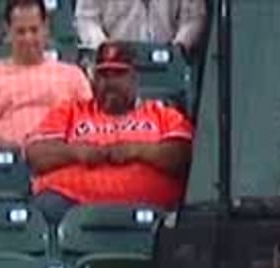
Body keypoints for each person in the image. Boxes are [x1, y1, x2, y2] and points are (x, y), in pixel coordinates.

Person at [23, 40, 190, 223]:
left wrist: (139, 150)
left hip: (151, 210)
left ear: (134, 77)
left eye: (118, 74)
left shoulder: (162, 114)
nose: (110, 82)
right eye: (103, 74)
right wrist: (76, 152)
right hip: (70, 205)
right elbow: (36, 154)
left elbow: (182, 155)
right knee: (42, 209)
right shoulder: (70, 111)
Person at [0, 0, 88, 148]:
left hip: (61, 160)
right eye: (21, 31)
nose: (28, 38)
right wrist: (3, 148)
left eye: (34, 30)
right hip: (5, 164)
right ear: (8, 31)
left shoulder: (73, 76)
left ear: (46, 29)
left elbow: (92, 122)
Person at [75, 0, 206, 55]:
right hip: (116, 63)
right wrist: (103, 48)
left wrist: (178, 48)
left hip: (166, 62)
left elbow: (193, 17)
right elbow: (86, 18)